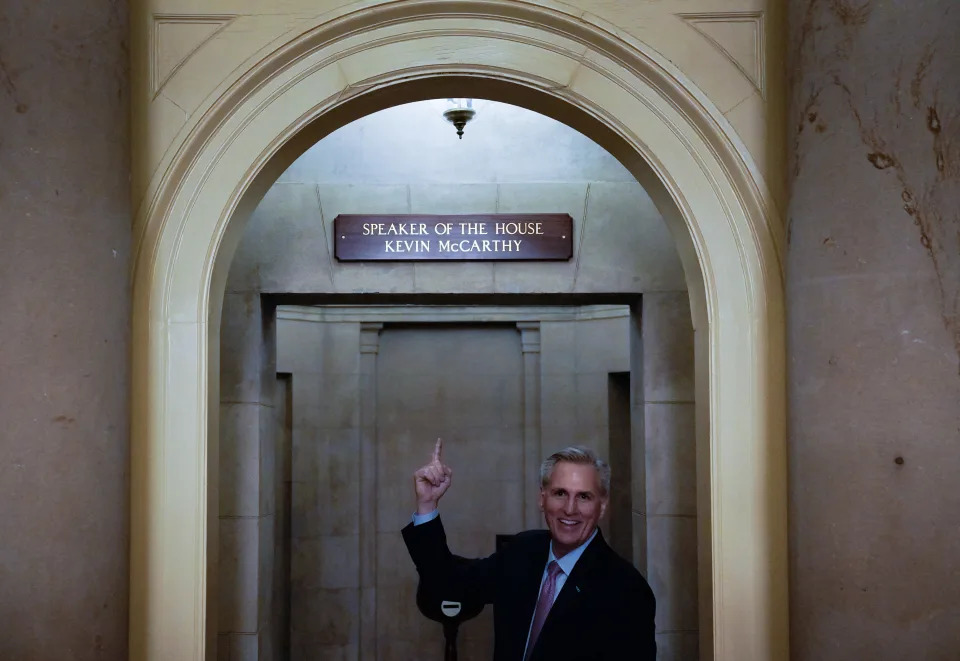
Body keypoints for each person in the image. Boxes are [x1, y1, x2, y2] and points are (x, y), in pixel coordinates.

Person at [402, 439, 657, 661]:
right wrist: (427, 505)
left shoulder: (627, 591)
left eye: (584, 497)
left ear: (601, 506)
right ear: (541, 498)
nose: (570, 509)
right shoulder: (522, 552)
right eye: (560, 493)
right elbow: (447, 586)